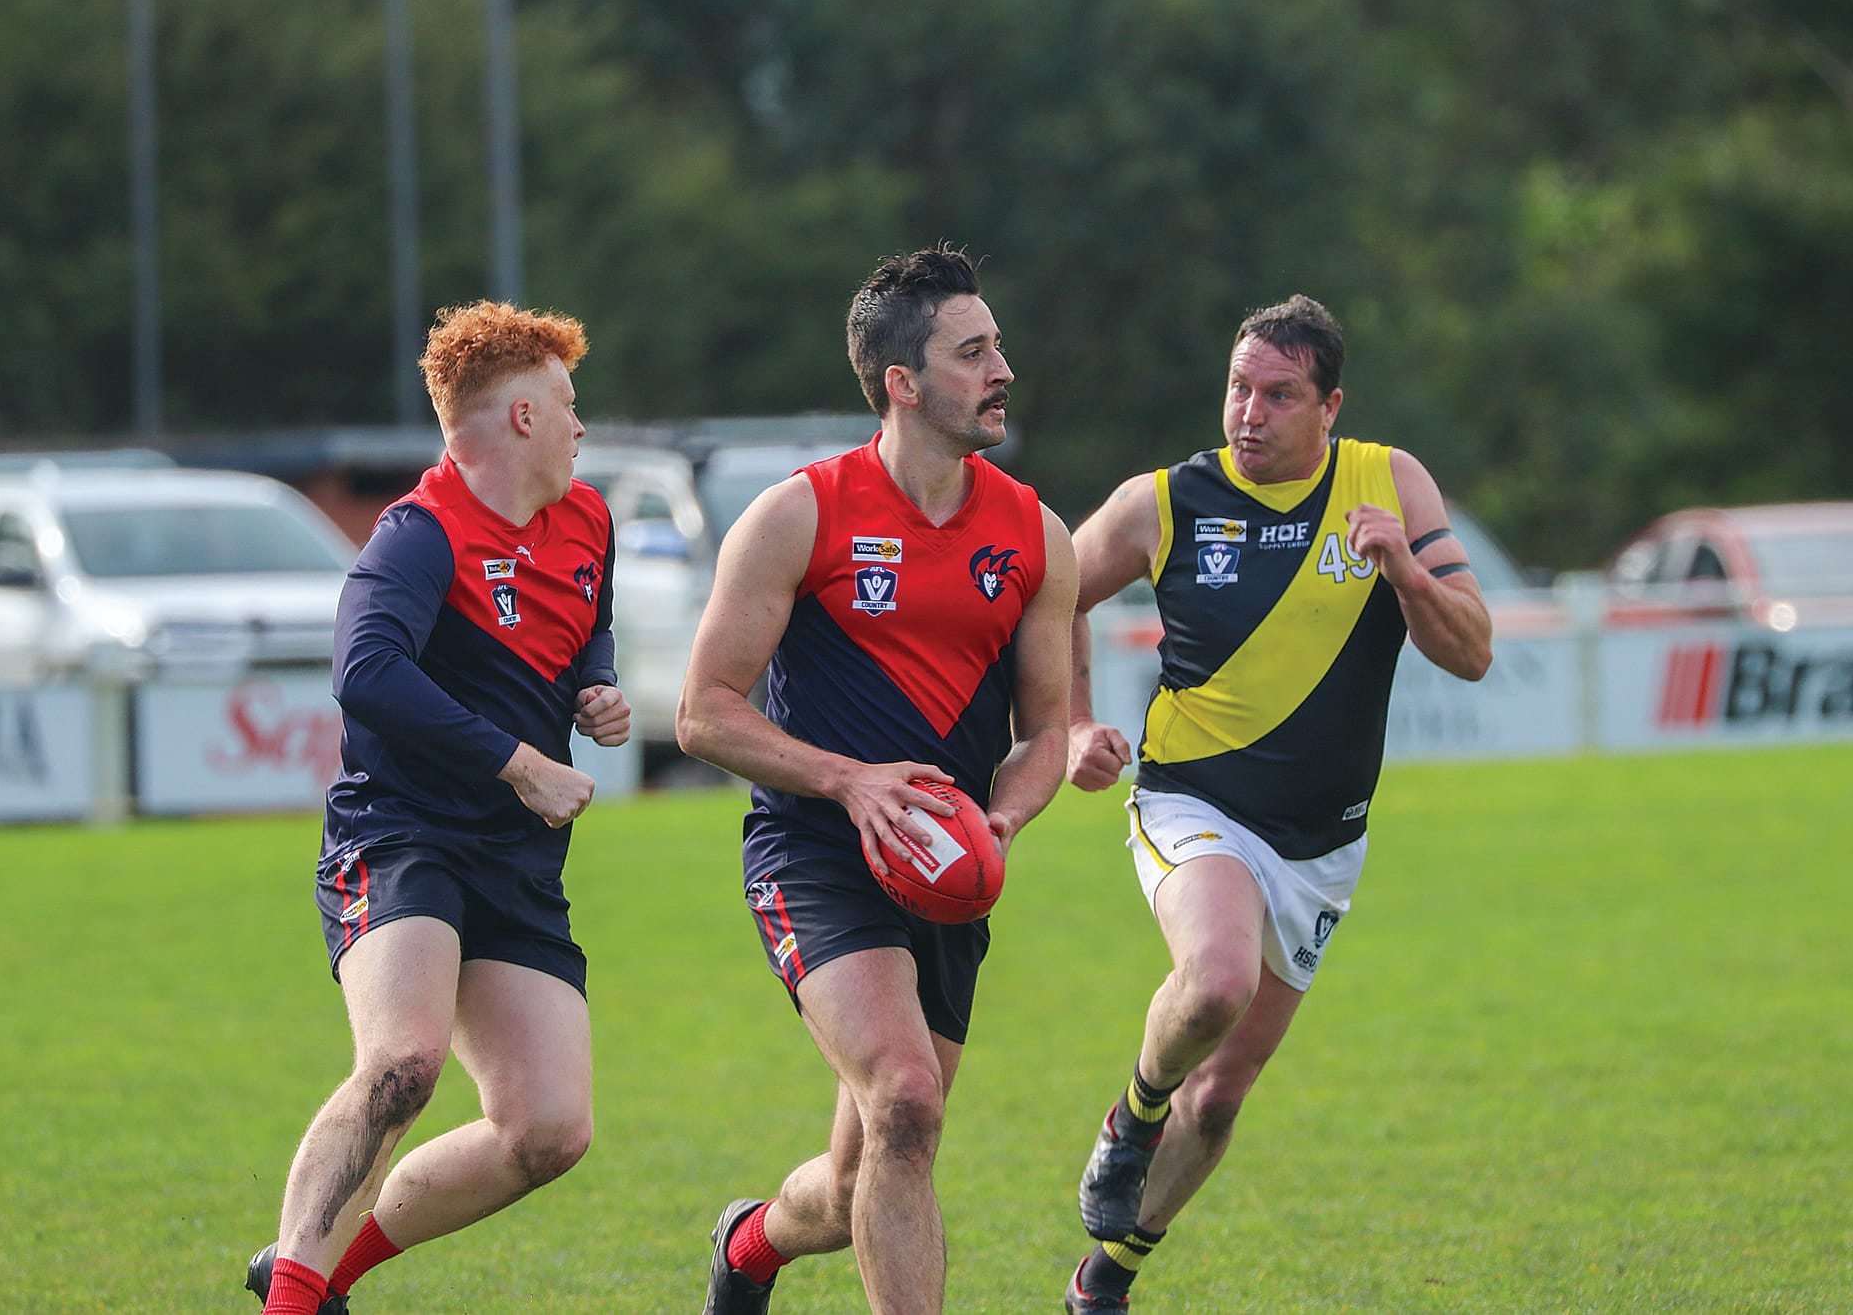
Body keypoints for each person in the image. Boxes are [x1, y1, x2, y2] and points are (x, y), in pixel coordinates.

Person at [1058, 295, 1492, 1312]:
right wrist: (1073, 725)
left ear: (1329, 406)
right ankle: (1131, 1117)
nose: (1248, 413)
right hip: (1191, 800)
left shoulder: (1390, 482)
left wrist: (1403, 570)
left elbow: (1472, 650)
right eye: (1238, 388)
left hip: (1321, 846)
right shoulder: (1166, 501)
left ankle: (1102, 1282)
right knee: (1211, 983)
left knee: (1220, 1095)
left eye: (1279, 395)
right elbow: (1050, 591)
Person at [676, 243, 1077, 1315]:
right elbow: (703, 711)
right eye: (972, 352)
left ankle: (750, 1243)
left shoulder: (1035, 532)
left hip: (945, 872)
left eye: (997, 346)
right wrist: (850, 783)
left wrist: (1000, 817)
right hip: (815, 850)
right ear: (902, 382)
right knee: (905, 1098)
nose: (1002, 369)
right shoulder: (798, 514)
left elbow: (1047, 731)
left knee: (864, 1171)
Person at [245, 300, 633, 1315]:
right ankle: (293, 1299)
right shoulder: (418, 535)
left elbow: (587, 619)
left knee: (548, 1129)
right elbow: (366, 673)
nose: (580, 424)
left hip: (516, 858)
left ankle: (316, 1271)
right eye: (567, 403)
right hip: (400, 835)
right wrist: (521, 763)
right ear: (521, 418)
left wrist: (595, 685)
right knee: (402, 1064)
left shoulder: (588, 520)